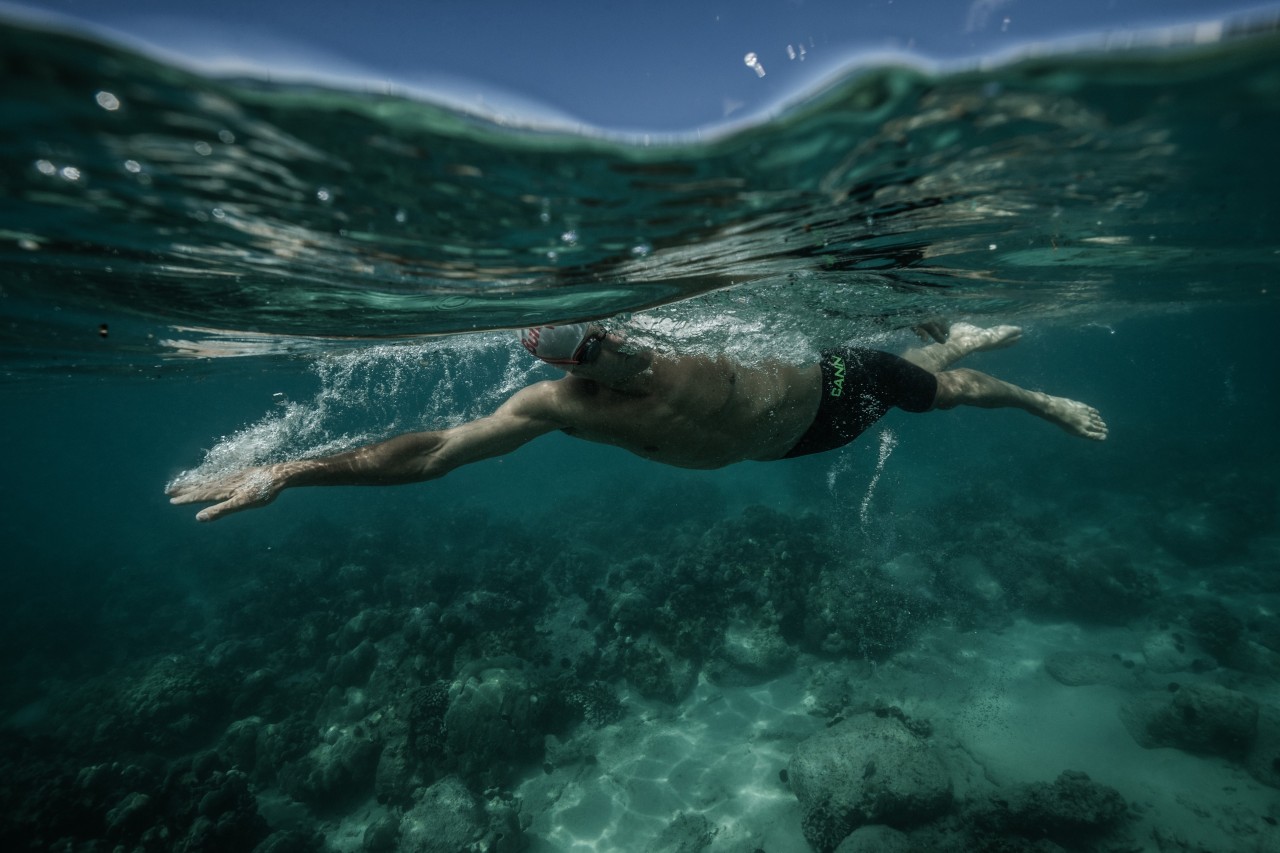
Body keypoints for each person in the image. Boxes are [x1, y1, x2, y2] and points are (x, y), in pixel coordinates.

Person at [167, 320, 1107, 522]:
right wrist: (287, 470)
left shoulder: (701, 327)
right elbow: (435, 452)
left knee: (938, 387)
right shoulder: (556, 406)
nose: (597, 358)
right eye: (568, 349)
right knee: (930, 377)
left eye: (596, 334)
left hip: (830, 385)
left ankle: (1026, 393)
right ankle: (949, 342)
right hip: (794, 445)